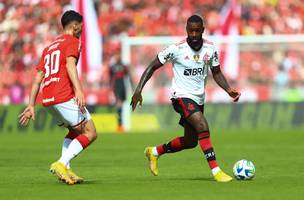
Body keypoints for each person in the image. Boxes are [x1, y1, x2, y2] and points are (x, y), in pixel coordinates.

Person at [130, 14, 241, 182]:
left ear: (203, 30)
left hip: (198, 99)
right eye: (191, 31)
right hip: (180, 97)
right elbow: (152, 66)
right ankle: (216, 171)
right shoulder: (176, 49)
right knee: (203, 126)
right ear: (186, 30)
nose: (194, 35)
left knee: (191, 142)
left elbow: (216, 72)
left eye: (197, 31)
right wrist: (138, 90)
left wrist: (228, 90)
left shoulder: (210, 48)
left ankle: (154, 152)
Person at [18, 10, 97, 185]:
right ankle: (61, 164)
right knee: (90, 132)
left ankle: (66, 169)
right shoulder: (73, 41)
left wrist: (31, 104)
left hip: (47, 101)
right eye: (81, 27)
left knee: (73, 131)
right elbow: (70, 66)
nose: (82, 30)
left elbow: (38, 78)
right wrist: (79, 90)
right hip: (63, 96)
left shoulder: (49, 47)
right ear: (75, 26)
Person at [109, 53, 133, 132]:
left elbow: (128, 76)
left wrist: (131, 87)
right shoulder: (112, 67)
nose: (117, 57)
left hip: (123, 86)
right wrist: (110, 89)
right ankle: (119, 125)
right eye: (116, 55)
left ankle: (121, 125)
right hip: (117, 87)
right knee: (119, 105)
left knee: (121, 105)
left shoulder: (124, 66)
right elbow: (110, 78)